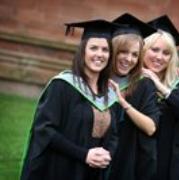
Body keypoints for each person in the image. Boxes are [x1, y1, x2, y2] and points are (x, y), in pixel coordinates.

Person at [20, 19, 122, 180]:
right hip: (60, 169)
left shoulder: (109, 94)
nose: (99, 54)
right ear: (83, 52)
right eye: (93, 48)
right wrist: (84, 155)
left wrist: (106, 154)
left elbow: (114, 134)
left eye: (105, 50)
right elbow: (45, 130)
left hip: (93, 172)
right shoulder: (62, 86)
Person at [142, 15, 179, 180]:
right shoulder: (130, 80)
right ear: (143, 49)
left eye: (166, 53)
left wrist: (161, 88)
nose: (160, 57)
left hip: (167, 164)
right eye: (154, 50)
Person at [107, 13, 160, 180]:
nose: (129, 59)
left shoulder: (143, 84)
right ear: (112, 51)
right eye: (123, 52)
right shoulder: (95, 79)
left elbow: (151, 127)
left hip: (126, 159)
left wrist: (123, 102)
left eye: (135, 54)